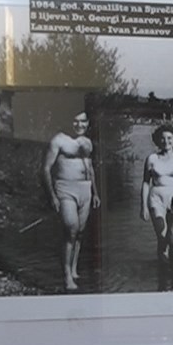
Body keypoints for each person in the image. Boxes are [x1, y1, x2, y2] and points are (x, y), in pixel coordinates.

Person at [42, 110, 98, 292]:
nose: (79, 125)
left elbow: (90, 168)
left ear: (87, 123)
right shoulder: (59, 140)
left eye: (83, 122)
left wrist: (95, 193)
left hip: (85, 189)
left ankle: (73, 269)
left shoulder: (87, 142)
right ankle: (66, 276)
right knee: (71, 229)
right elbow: (46, 169)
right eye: (75, 121)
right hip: (65, 188)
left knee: (80, 232)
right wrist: (52, 196)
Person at [139, 123, 173, 273]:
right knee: (162, 236)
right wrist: (143, 206)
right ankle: (164, 271)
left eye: (169, 138)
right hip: (157, 199)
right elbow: (145, 182)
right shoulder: (152, 159)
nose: (166, 141)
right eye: (162, 138)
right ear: (157, 140)